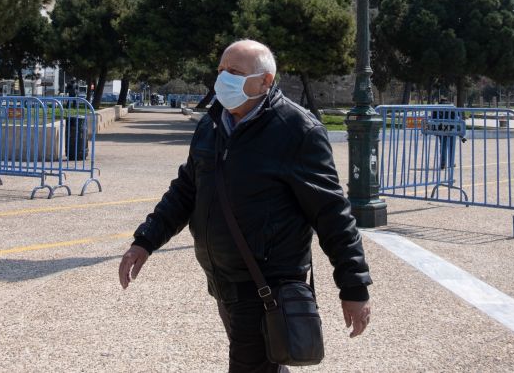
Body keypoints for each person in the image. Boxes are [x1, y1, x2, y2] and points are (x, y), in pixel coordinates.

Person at [118, 39, 372, 372]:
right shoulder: (212, 125)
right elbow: (185, 191)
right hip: (223, 280)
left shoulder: (297, 131)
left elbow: (332, 215)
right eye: (221, 70)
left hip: (266, 285)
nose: (223, 79)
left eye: (234, 72)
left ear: (265, 81)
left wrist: (353, 286)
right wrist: (145, 241)